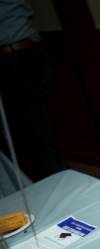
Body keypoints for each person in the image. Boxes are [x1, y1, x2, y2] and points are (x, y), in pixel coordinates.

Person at [0, 0, 66, 182]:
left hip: (18, 57)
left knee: (38, 138)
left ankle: (64, 195)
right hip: (23, 55)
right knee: (22, 142)